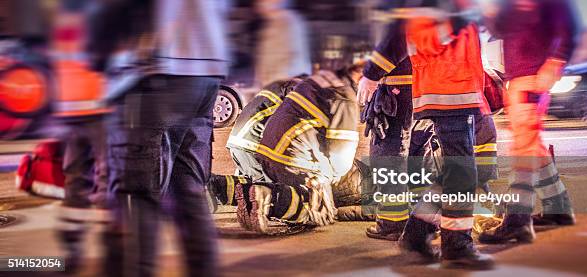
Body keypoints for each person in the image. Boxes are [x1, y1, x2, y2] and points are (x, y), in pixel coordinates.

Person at [87, 0, 230, 276]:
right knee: (188, 194)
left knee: (135, 198)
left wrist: (98, 50)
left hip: (155, 74)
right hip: (206, 70)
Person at [396, 0, 495, 269]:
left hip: (459, 96)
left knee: (455, 174)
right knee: (462, 173)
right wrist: (460, 20)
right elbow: (424, 41)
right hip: (447, 97)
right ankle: (456, 245)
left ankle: (417, 234)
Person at [479, 0, 579, 244]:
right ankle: (558, 208)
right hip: (517, 77)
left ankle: (518, 220)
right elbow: (501, 29)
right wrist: (491, 13)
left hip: (532, 78)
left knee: (524, 148)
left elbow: (568, 26)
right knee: (532, 145)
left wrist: (556, 62)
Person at [232, 66, 362, 234]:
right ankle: (267, 196)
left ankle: (221, 187)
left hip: (263, 153)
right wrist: (329, 179)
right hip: (293, 160)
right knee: (319, 214)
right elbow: (341, 156)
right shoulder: (344, 96)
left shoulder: (311, 83)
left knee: (297, 195)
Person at [51, 1, 111, 272]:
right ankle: (111, 248)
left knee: (78, 179)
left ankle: (74, 247)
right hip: (101, 106)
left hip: (73, 108)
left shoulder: (66, 14)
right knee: (107, 179)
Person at [358, 5, 414, 241]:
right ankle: (416, 218)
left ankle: (393, 221)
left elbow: (397, 37)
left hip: (398, 88)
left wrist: (371, 74)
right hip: (410, 85)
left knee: (388, 152)